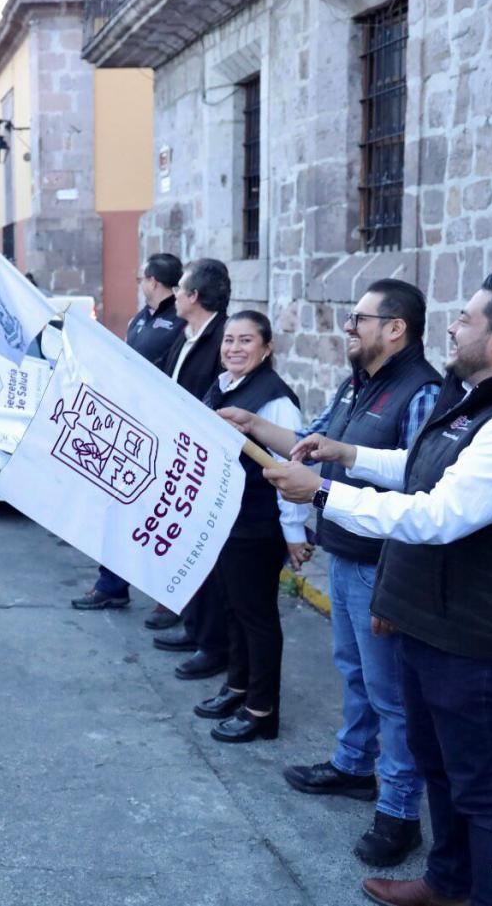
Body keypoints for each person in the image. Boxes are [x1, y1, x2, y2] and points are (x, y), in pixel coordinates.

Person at [264, 265, 492, 906]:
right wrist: (348, 455)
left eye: (466, 317)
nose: (453, 325)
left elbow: (438, 515)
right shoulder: (482, 398)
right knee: (440, 770)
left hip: (479, 640)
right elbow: (423, 467)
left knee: (484, 792)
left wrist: (324, 492)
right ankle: (446, 884)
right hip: (433, 621)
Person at [220, 280, 441, 866]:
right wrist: (250, 422)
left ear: (395, 328)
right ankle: (351, 766)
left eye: (359, 319)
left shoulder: (421, 393)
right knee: (355, 674)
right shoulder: (356, 386)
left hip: (385, 567)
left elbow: (422, 486)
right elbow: (309, 443)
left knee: (391, 696)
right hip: (347, 557)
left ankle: (398, 814)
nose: (348, 327)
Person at [190, 311, 309, 742]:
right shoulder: (222, 386)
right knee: (233, 609)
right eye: (229, 341)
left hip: (257, 524)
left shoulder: (276, 398)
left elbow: (291, 466)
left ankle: (261, 709)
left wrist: (295, 532)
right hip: (226, 519)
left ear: (267, 348)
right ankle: (237, 686)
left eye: (245, 341)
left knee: (256, 617)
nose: (234, 349)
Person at [70, 252, 184, 626]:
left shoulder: (179, 322)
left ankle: (172, 595)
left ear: (152, 280)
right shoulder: (140, 319)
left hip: (161, 434)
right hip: (127, 430)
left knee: (161, 515)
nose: (139, 284)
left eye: (141, 278)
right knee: (117, 509)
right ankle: (112, 585)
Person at [153, 258, 230, 681]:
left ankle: (213, 644)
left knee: (207, 557)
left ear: (195, 296)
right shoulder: (186, 336)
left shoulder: (223, 338)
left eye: (181, 289)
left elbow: (221, 395)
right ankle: (194, 625)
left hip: (203, 461)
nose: (176, 295)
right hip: (178, 452)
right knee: (185, 548)